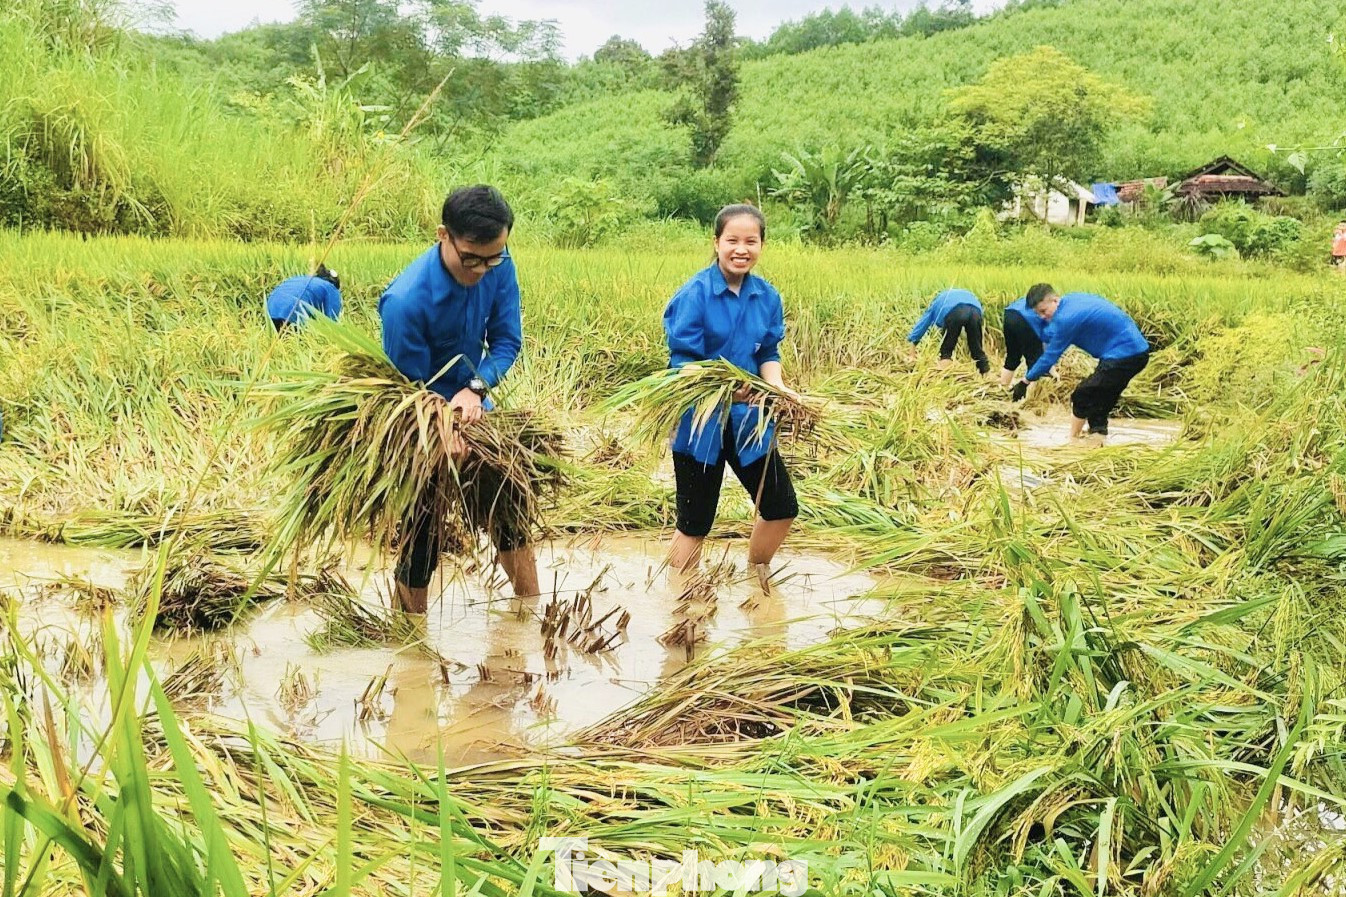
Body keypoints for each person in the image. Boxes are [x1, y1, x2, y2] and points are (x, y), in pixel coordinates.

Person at [379, 185, 538, 614]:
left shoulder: (498, 264)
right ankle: (409, 635)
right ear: (442, 236)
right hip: (423, 422)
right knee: (422, 534)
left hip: (475, 411)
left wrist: (477, 387)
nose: (483, 270)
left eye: (494, 257)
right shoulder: (405, 302)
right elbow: (406, 386)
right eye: (472, 258)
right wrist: (439, 426)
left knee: (509, 512)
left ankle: (532, 614)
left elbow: (505, 341)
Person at [663, 204, 800, 590]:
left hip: (750, 421)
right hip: (700, 421)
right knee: (695, 523)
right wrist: (726, 387)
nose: (741, 249)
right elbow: (683, 362)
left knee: (780, 507)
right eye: (732, 241)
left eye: (750, 241)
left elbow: (768, 352)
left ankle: (757, 580)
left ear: (761, 245)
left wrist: (776, 387)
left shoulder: (767, 296)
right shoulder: (695, 294)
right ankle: (680, 599)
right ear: (717, 243)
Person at [1011, 284, 1150, 441]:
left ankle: (1072, 440)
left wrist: (1025, 381)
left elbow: (1050, 357)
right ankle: (1097, 442)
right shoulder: (1071, 300)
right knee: (1100, 403)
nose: (1043, 316)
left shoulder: (1066, 319)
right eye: (1038, 314)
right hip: (1133, 352)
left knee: (1082, 394)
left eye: (1044, 311)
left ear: (1055, 300)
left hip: (1124, 355)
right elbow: (1050, 335)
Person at [907, 288, 990, 374]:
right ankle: (986, 375)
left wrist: (912, 350)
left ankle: (944, 376)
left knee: (946, 350)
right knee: (976, 348)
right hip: (976, 311)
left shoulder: (937, 303)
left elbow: (923, 324)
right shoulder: (964, 295)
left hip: (955, 312)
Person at [266, 264, 342, 331]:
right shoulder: (330, 287)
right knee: (296, 342)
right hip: (292, 310)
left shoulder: (300, 278)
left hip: (271, 309)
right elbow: (332, 320)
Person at [999, 294, 1049, 387]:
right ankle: (1031, 398)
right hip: (1028, 318)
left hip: (1010, 314)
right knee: (1035, 361)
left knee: (1012, 356)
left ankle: (1003, 387)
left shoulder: (1044, 298)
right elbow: (1047, 345)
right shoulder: (1057, 311)